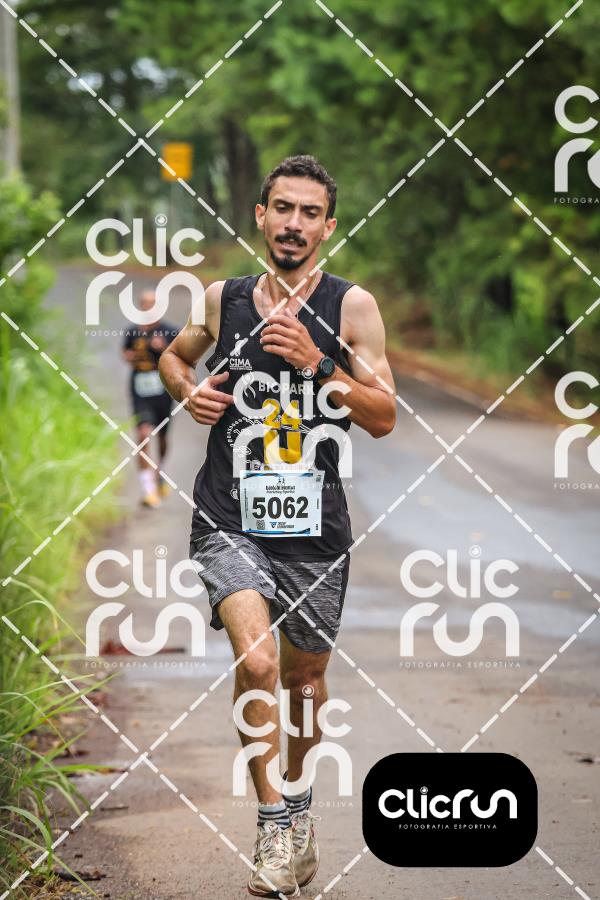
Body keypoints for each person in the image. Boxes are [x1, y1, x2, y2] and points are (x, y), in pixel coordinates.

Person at [159, 155, 396, 896]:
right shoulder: (221, 299)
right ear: (261, 216)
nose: (294, 223)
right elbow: (173, 357)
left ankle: (297, 806)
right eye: (282, 208)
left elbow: (384, 415)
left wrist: (321, 363)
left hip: (316, 528)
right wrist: (188, 391)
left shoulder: (352, 308)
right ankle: (271, 824)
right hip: (228, 515)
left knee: (304, 679)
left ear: (328, 226)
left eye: (309, 213)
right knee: (258, 662)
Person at [122, 290, 179, 507]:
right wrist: (131, 356)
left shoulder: (170, 331)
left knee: (162, 437)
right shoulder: (133, 332)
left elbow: (180, 358)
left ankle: (159, 471)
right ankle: (148, 490)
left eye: (152, 304)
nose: (148, 307)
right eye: (144, 303)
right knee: (143, 434)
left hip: (163, 391)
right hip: (140, 390)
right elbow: (125, 353)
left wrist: (162, 349)